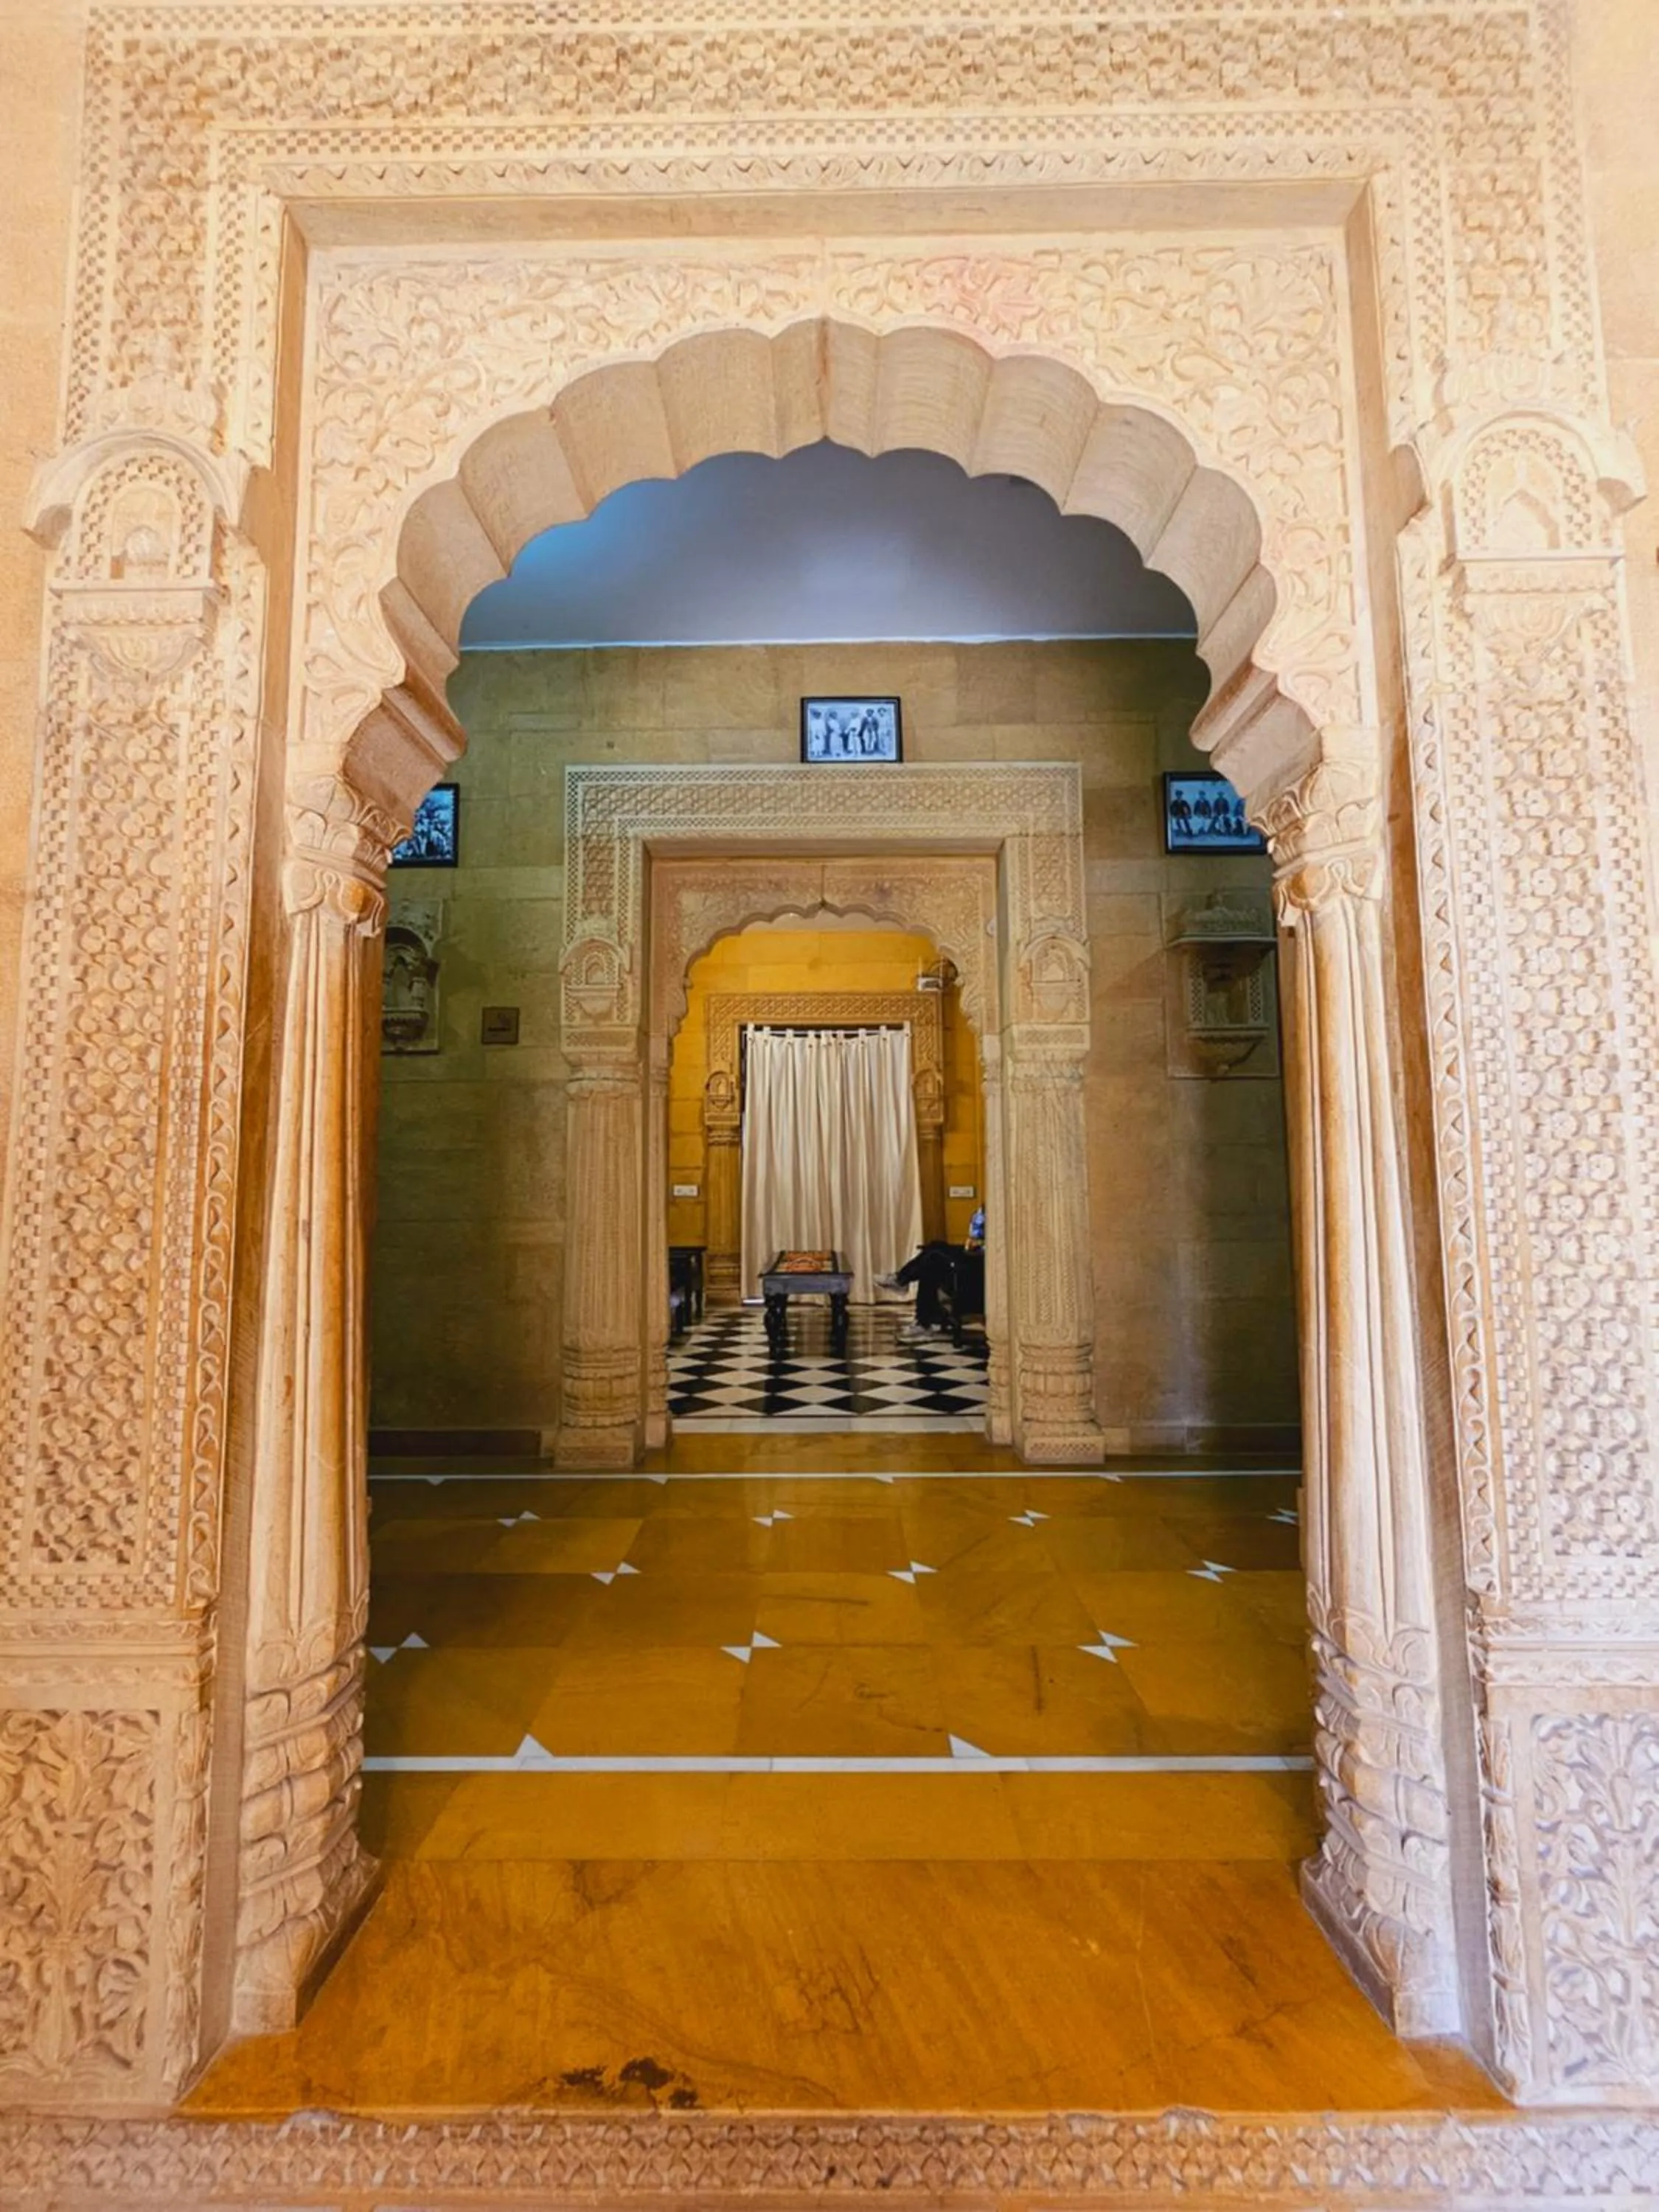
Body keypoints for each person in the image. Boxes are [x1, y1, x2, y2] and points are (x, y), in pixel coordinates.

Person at [877, 1208, 985, 1338]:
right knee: (933, 1255)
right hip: (973, 1261)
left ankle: (901, 1280)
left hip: (976, 1270)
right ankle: (903, 1284)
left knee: (933, 1257)